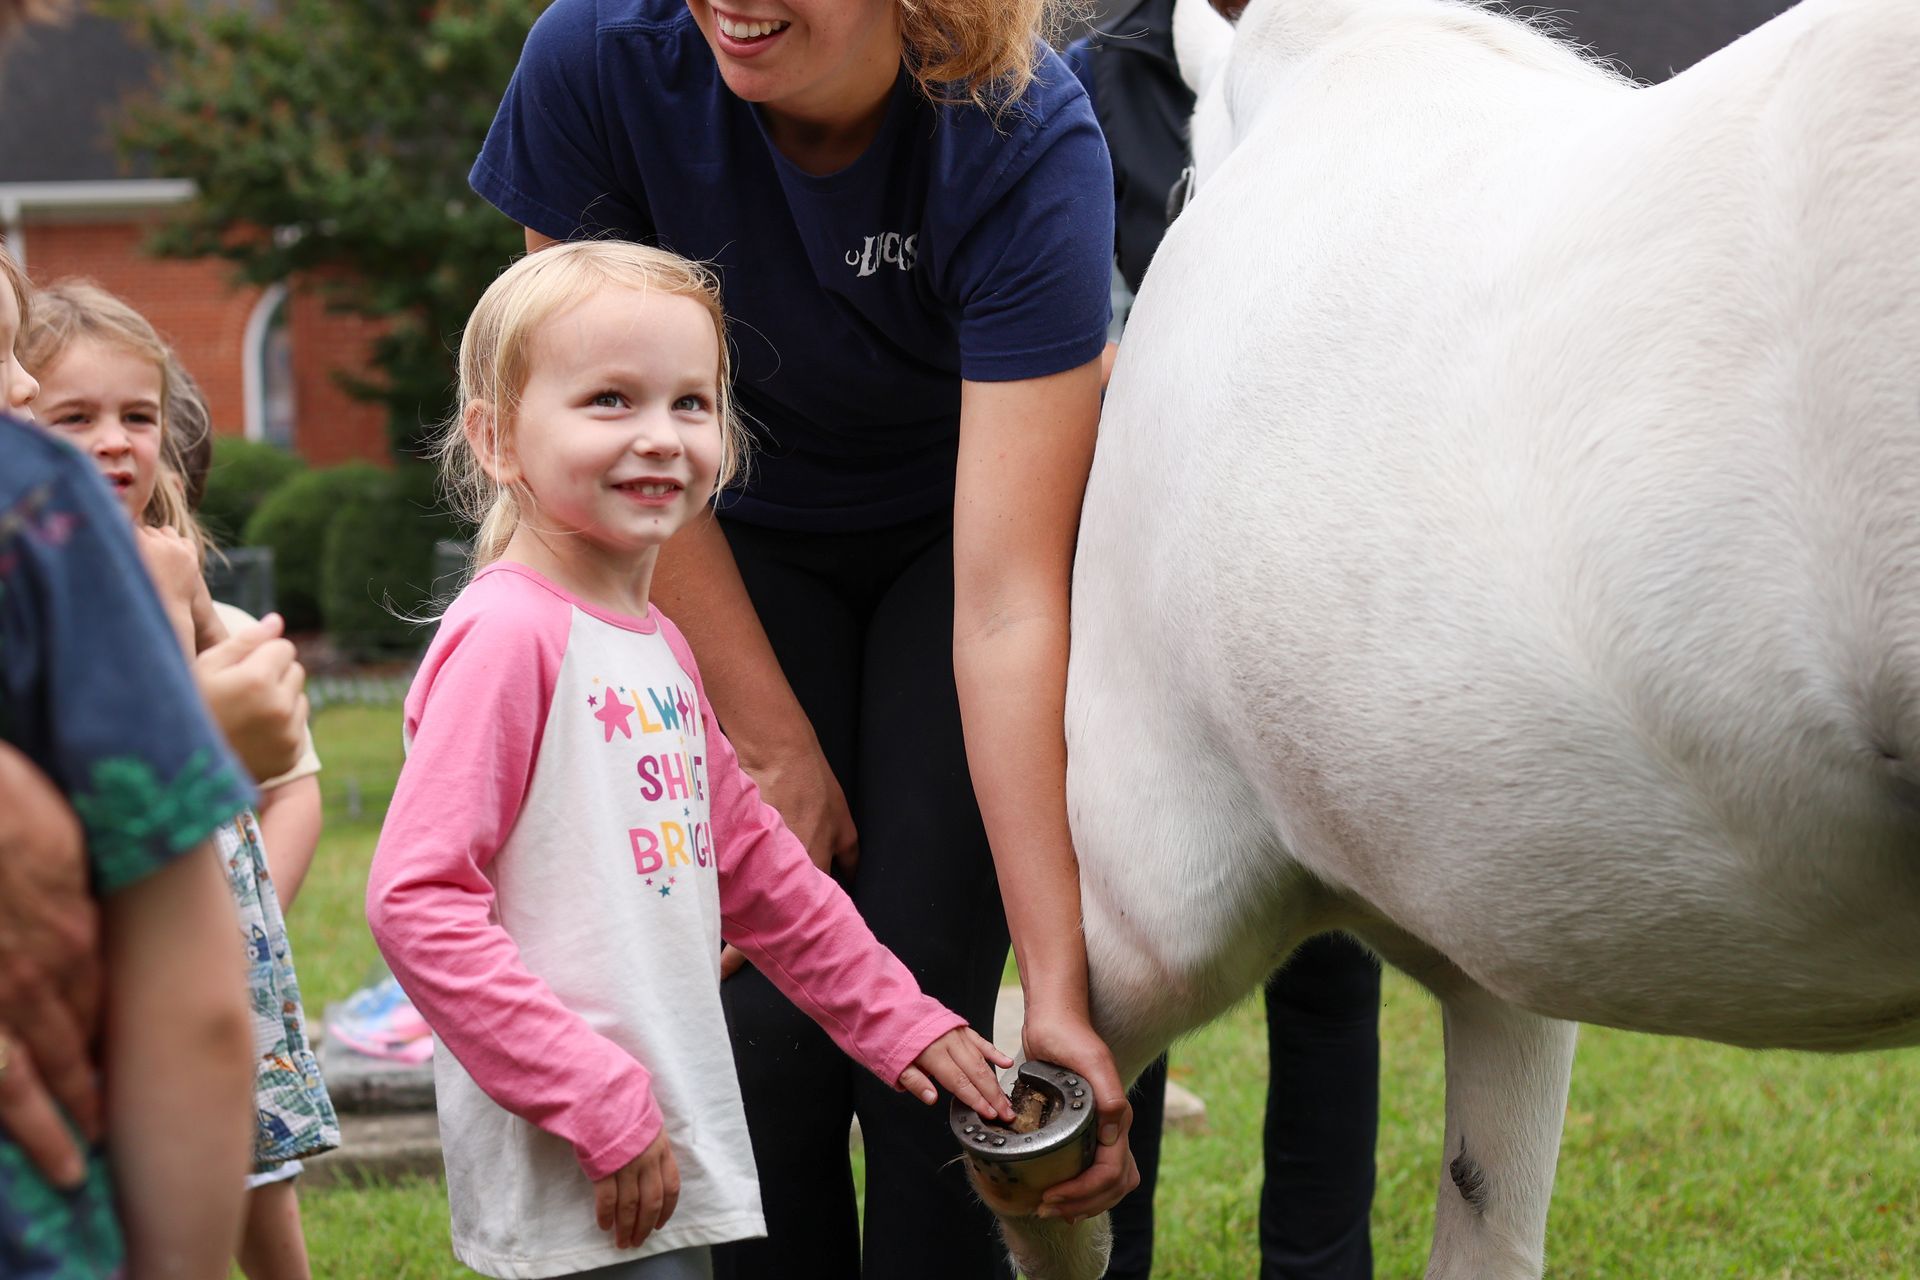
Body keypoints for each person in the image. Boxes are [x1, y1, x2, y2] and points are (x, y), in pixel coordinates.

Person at [471, 4, 1133, 1273]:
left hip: (961, 528)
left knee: (927, 982)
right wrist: (770, 747)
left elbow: (1003, 601)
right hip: (707, 524)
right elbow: (607, 468)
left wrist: (1054, 983)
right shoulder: (599, 58)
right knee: (753, 1002)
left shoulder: (1023, 129)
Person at [365, 240, 1016, 1280]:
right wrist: (592, 1092)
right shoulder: (509, 635)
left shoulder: (656, 641)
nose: (661, 437)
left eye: (691, 403)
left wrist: (902, 1021)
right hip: (580, 1150)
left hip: (655, 1137)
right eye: (610, 401)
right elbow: (417, 900)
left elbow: (760, 873)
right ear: (496, 438)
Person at [1063, 7, 1386, 1276]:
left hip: (1319, 587)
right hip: (1128, 598)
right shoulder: (1097, 85)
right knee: (1125, 959)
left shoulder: (1380, 56)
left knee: (1334, 975)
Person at [22, 277, 340, 1279]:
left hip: (218, 940)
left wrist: (259, 920)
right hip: (95, 935)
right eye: (74, 417)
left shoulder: (195, 588)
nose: (114, 440)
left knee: (259, 1171)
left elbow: (291, 776)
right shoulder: (42, 606)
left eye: (138, 415)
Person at [1, 242, 259, 1279]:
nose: (22, 384)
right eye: (7, 356)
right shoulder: (38, 513)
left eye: (139, 416)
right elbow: (190, 1004)